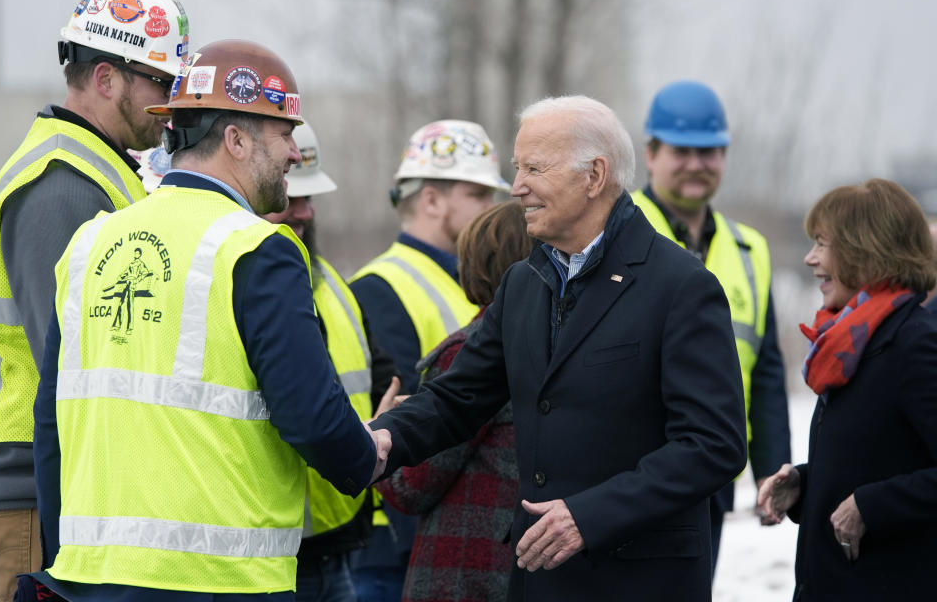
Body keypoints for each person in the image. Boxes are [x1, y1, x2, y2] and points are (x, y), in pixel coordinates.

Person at [31, 39, 389, 601]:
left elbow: (50, 423)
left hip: (88, 579)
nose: (296, 154)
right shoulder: (258, 248)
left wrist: (61, 558)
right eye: (286, 134)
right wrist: (366, 457)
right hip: (216, 581)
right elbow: (312, 417)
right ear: (237, 139)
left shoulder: (90, 243)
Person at [369, 95, 747, 601]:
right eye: (516, 168)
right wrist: (384, 438)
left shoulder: (679, 285)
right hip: (542, 580)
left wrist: (590, 517)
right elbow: (459, 396)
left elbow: (713, 446)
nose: (517, 186)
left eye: (533, 169)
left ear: (594, 176)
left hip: (637, 582)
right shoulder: (524, 283)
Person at [0, 0, 189, 602]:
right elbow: (70, 363)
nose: (170, 105)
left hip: (51, 480)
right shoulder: (62, 183)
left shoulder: (100, 170)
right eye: (160, 83)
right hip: (34, 490)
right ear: (106, 78)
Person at [631, 80, 791, 572]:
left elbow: (764, 370)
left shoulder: (751, 250)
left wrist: (772, 471)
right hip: (628, 474)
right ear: (651, 153)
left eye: (710, 151)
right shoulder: (614, 232)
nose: (697, 164)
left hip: (712, 478)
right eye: (682, 151)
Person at [348, 119, 510, 600]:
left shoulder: (477, 278)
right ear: (433, 200)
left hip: (448, 524)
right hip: (396, 534)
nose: (493, 208)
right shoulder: (379, 287)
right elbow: (407, 409)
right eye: (478, 195)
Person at [758, 178, 937, 600]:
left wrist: (872, 507)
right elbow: (876, 458)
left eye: (823, 244)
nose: (809, 258)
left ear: (866, 250)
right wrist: (805, 484)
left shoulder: (915, 343)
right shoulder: (852, 341)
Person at [262, 121, 398, 602]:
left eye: (310, 197)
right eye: (291, 196)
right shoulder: (243, 286)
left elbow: (385, 375)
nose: (306, 210)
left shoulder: (332, 284)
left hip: (336, 539)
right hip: (273, 554)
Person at [375, 200, 530, 602]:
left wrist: (384, 431)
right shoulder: (556, 345)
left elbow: (412, 489)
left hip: (464, 577)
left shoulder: (471, 353)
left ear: (476, 263)